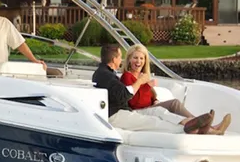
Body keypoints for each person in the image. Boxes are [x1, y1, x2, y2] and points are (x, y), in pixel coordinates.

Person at [93, 44, 228, 135]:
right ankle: (193, 128)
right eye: (120, 57)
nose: (121, 60)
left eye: (141, 58)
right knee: (158, 118)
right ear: (115, 58)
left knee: (162, 111)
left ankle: (197, 125)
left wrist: (153, 96)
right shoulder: (119, 76)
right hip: (126, 112)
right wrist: (143, 84)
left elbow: (123, 94)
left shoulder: (107, 74)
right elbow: (129, 99)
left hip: (134, 109)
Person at [121, 44, 195, 118]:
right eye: (135, 58)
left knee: (174, 107)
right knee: (174, 104)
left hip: (150, 108)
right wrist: (147, 85)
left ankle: (195, 122)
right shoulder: (127, 76)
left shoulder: (143, 76)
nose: (138, 61)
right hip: (138, 111)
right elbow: (133, 102)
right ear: (129, 59)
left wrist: (155, 100)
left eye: (141, 58)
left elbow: (149, 96)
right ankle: (195, 121)